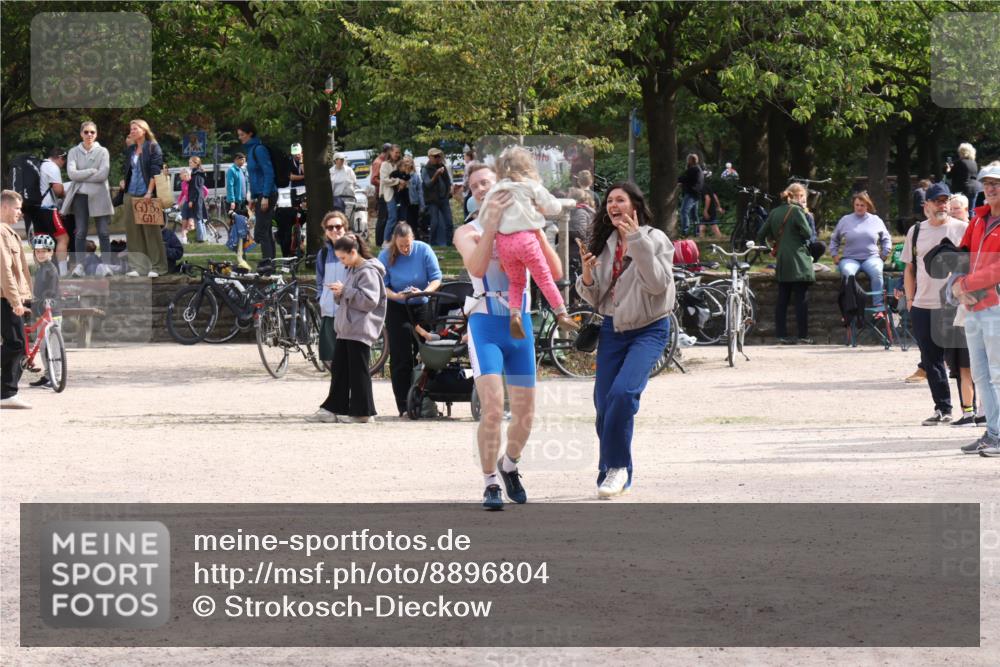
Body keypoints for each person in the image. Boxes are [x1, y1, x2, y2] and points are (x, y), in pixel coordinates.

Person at [454, 163, 563, 510]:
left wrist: (535, 228)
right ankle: (489, 483)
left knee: (526, 414)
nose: (482, 189)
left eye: (487, 182)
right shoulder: (466, 231)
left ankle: (509, 464)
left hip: (519, 325)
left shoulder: (525, 226)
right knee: (491, 408)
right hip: (485, 323)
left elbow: (556, 272)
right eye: (475, 187)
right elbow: (477, 268)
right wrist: (492, 226)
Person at [576, 182, 675, 498]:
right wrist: (587, 275)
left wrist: (636, 241)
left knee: (623, 394)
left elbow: (658, 285)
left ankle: (617, 468)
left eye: (620, 199)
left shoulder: (655, 239)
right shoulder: (603, 245)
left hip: (649, 329)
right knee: (604, 404)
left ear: (635, 206)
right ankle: (613, 469)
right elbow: (595, 297)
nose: (613, 205)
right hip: (611, 330)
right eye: (609, 201)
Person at [480, 146, 577, 339]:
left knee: (516, 282)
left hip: (504, 243)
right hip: (526, 239)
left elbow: (484, 218)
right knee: (544, 278)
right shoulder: (530, 186)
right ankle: (561, 313)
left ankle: (514, 315)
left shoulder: (496, 190)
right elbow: (554, 208)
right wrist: (539, 207)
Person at [902, 182, 968, 426]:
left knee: (962, 361)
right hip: (922, 304)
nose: (942, 204)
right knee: (931, 359)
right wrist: (910, 300)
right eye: (937, 200)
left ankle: (969, 411)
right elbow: (909, 268)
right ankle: (943, 408)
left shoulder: (962, 228)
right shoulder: (916, 231)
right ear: (926, 205)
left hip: (953, 305)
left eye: (945, 200)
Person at [952, 162, 1000, 456]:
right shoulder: (978, 221)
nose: (991, 188)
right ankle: (993, 432)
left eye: (996, 183)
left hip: (995, 306)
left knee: (998, 372)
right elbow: (962, 255)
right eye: (987, 184)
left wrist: (965, 285)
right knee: (981, 374)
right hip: (974, 307)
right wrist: (958, 285)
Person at [378, 222, 442, 417]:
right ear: (395, 243)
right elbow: (382, 285)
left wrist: (423, 292)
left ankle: (427, 401)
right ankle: (404, 406)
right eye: (401, 246)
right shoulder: (386, 255)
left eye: (408, 245)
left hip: (421, 304)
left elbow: (436, 278)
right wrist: (397, 296)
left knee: (427, 352)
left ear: (413, 239)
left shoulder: (423, 250)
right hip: (398, 307)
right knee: (400, 357)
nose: (405, 249)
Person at [322, 233, 387, 424]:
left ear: (353, 252)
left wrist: (345, 291)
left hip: (360, 328)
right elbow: (351, 296)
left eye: (343, 257)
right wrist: (340, 292)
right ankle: (335, 407)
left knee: (359, 371)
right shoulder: (353, 269)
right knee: (340, 369)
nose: (342, 262)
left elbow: (370, 300)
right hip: (348, 328)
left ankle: (363, 412)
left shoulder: (367, 271)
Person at [757, 183, 816, 345]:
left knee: (782, 299)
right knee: (801, 301)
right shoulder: (797, 211)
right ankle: (802, 335)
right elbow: (808, 233)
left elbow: (760, 234)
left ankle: (781, 335)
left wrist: (769, 249)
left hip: (782, 260)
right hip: (799, 260)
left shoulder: (774, 212)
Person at [307, 212, 351, 423]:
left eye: (338, 226)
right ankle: (337, 401)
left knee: (346, 361)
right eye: (330, 227)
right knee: (331, 358)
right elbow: (319, 280)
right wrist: (321, 298)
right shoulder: (323, 254)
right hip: (329, 312)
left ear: (345, 227)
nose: (335, 230)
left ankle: (342, 402)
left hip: (348, 312)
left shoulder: (353, 250)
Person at [63, 122, 113, 274]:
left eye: (92, 132)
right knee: (80, 232)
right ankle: (80, 265)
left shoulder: (103, 151)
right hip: (80, 195)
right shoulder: (73, 151)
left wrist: (81, 175)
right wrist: (92, 171)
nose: (89, 135)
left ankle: (106, 265)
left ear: (96, 134)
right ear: (81, 134)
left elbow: (103, 174)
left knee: (103, 232)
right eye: (86, 132)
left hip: (100, 195)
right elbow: (71, 174)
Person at [119, 119, 167, 277]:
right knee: (133, 232)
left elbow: (155, 171)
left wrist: (149, 192)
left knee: (151, 232)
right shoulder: (131, 149)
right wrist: (124, 181)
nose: (132, 131)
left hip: (147, 193)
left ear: (144, 130)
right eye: (131, 129)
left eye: (135, 128)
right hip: (130, 192)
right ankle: (138, 267)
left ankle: (157, 266)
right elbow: (129, 169)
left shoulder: (153, 147)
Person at [829, 191, 892, 308]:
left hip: (871, 258)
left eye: (862, 205)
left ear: (867, 206)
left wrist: (885, 253)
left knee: (877, 272)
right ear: (853, 205)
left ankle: (878, 305)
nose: (859, 207)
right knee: (848, 273)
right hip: (850, 258)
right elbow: (834, 239)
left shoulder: (876, 220)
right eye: (857, 205)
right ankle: (852, 306)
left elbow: (886, 238)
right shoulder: (845, 220)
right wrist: (834, 255)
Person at [1, 191, 32, 409]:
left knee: (17, 344)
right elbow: (4, 270)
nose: (20, 213)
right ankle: (7, 393)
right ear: (4, 207)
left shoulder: (9, 232)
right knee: (17, 344)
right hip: (5, 298)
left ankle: (6, 393)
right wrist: (15, 301)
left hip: (11, 297)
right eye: (17, 208)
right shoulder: (1, 233)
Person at [21, 147, 70, 275]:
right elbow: (58, 190)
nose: (63, 164)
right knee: (62, 238)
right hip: (48, 208)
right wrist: (64, 193)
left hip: (34, 208)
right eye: (63, 161)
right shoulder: (52, 167)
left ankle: (43, 273)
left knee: (41, 241)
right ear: (60, 157)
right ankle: (63, 273)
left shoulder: (39, 165)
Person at [237, 121, 277, 260]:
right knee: (265, 231)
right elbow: (255, 176)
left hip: (267, 194)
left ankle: (267, 263)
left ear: (250, 134)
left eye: (242, 134)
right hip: (260, 194)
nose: (240, 137)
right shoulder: (251, 150)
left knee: (260, 232)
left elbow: (268, 173)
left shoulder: (259, 149)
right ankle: (269, 263)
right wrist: (254, 198)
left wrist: (265, 196)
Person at [27, 234, 60, 389]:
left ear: (51, 252)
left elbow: (52, 289)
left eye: (44, 251)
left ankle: (57, 376)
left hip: (52, 312)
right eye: (38, 251)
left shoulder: (51, 269)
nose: (40, 254)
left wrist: (48, 299)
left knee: (53, 347)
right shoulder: (40, 269)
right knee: (43, 347)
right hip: (41, 312)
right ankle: (48, 375)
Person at [276, 144, 306, 258]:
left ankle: (300, 238)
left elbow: (305, 172)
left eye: (298, 153)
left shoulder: (303, 160)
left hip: (305, 191)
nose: (297, 156)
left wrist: (302, 163)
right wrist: (303, 177)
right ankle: (295, 240)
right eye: (295, 154)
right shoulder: (290, 162)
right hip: (294, 192)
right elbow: (291, 177)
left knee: (303, 215)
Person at [422, 148, 453, 247]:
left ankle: (449, 244)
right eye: (435, 156)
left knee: (449, 222)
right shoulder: (425, 169)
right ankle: (432, 244)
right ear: (429, 157)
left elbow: (448, 181)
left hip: (444, 198)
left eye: (439, 156)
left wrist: (449, 191)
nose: (437, 158)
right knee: (434, 222)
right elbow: (428, 184)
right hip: (432, 200)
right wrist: (436, 174)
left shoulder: (442, 166)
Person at [947, 143, 982, 209]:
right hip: (975, 188)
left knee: (962, 209)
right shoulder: (974, 163)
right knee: (971, 210)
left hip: (963, 189)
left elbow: (949, 176)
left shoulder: (959, 162)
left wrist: (949, 169)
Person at [378, 145, 402, 243]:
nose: (397, 154)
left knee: (398, 218)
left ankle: (394, 241)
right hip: (388, 195)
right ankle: (385, 241)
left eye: (398, 153)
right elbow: (384, 180)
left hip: (399, 195)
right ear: (391, 152)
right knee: (392, 217)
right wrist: (398, 181)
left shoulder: (399, 164)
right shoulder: (384, 164)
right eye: (396, 152)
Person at [677, 154, 704, 237]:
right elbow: (690, 180)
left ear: (690, 160)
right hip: (696, 194)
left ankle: (684, 232)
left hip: (691, 193)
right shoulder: (698, 169)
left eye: (688, 160)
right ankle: (697, 233)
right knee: (694, 215)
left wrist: (677, 180)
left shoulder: (693, 169)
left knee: (683, 211)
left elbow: (684, 178)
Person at [391, 155, 420, 231]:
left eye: (407, 161)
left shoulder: (415, 176)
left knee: (414, 223)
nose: (405, 164)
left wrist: (422, 204)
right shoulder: (398, 174)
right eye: (404, 162)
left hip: (414, 202)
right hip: (402, 201)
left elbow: (420, 191)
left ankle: (414, 238)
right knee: (403, 221)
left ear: (411, 163)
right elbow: (391, 179)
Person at [568, 187, 596, 264]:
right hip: (576, 250)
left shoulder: (580, 212)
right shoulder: (578, 211)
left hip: (577, 252)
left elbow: (580, 234)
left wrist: (566, 230)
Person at [371, 143, 391, 245]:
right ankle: (379, 242)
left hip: (386, 193)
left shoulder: (384, 162)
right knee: (382, 218)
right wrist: (386, 184)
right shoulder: (378, 162)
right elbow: (373, 180)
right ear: (387, 151)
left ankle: (383, 240)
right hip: (381, 194)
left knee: (386, 217)